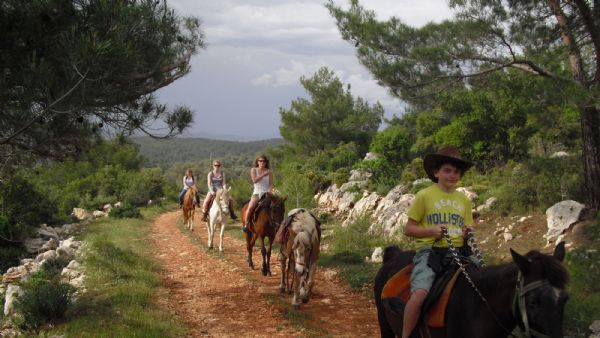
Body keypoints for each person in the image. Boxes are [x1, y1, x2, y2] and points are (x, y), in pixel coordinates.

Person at [401, 145, 475, 338]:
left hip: (459, 253)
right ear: (436, 172)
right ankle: (406, 335)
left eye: (456, 172)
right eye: (447, 170)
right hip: (430, 252)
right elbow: (408, 229)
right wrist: (431, 231)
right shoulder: (424, 196)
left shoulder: (464, 200)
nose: (452, 175)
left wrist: (467, 233)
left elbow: (466, 227)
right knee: (420, 294)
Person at [242, 154, 274, 232]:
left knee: (277, 205)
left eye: (264, 161)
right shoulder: (254, 170)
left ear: (266, 162)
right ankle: (246, 224)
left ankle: (277, 224)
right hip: (257, 192)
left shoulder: (269, 171)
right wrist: (263, 175)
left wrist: (270, 191)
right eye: (260, 161)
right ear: (257, 162)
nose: (262, 162)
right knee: (250, 207)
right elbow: (254, 180)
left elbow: (271, 184)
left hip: (267, 192)